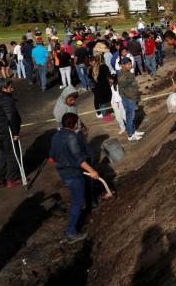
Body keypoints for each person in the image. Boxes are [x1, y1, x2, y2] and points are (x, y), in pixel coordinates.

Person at [49, 113, 98, 243]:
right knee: (77, 202)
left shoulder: (55, 136)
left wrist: (63, 160)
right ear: (74, 123)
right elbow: (78, 159)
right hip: (74, 174)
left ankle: (90, 205)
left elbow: (52, 157)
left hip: (63, 173)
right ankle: (70, 232)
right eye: (77, 122)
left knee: (79, 195)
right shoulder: (72, 137)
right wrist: (92, 171)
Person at [0, 78, 22, 188]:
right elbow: (11, 117)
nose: (13, 88)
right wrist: (15, 132)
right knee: (13, 155)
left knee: (4, 155)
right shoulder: (7, 100)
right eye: (10, 87)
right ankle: (12, 179)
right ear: (4, 89)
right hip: (7, 132)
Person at [118, 57, 144, 141]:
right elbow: (122, 89)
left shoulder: (127, 72)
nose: (130, 65)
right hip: (128, 98)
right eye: (128, 64)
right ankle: (130, 135)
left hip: (132, 97)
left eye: (130, 64)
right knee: (130, 117)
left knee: (132, 116)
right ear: (123, 65)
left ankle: (133, 131)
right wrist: (131, 97)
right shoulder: (122, 74)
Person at [91, 54, 112, 120]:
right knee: (105, 102)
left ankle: (104, 115)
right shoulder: (104, 66)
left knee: (101, 102)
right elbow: (109, 75)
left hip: (97, 88)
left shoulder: (93, 68)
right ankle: (105, 116)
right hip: (104, 86)